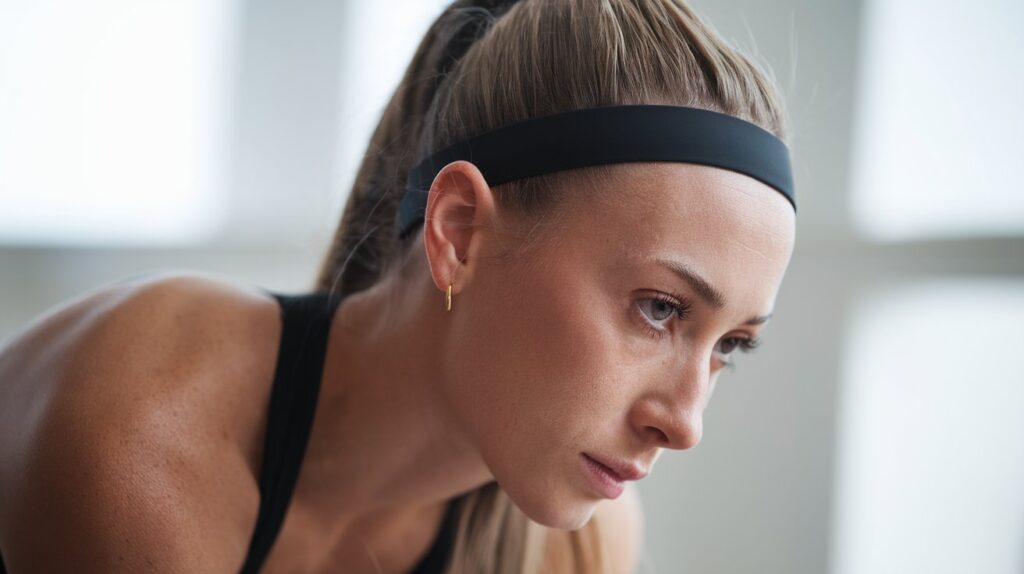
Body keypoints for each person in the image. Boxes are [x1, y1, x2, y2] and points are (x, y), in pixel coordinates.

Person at [0, 0, 798, 572]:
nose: (686, 424)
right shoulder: (148, 425)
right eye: (659, 308)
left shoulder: (580, 547)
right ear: (458, 233)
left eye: (730, 345)